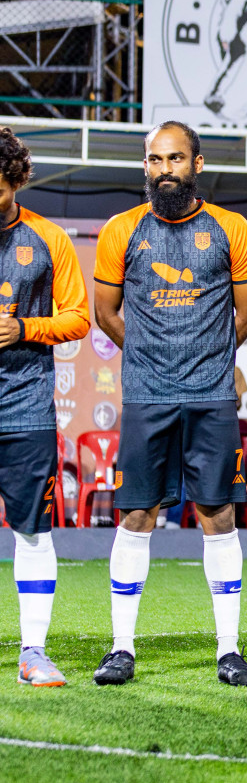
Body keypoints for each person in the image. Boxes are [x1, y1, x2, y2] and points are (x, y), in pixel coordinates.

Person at [91, 121, 247, 687]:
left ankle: (230, 651)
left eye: (176, 159)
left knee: (218, 514)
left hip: (212, 397)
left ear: (197, 164)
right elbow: (107, 315)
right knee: (137, 514)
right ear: (145, 166)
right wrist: (153, 356)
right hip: (147, 395)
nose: (165, 169)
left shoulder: (231, 228)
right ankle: (121, 649)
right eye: (155, 159)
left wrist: (205, 359)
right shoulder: (121, 230)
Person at [0, 127, 89, 686]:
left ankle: (33, 650)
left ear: (15, 180)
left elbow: (79, 317)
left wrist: (24, 327)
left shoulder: (48, 238)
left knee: (33, 531)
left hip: (25, 407)